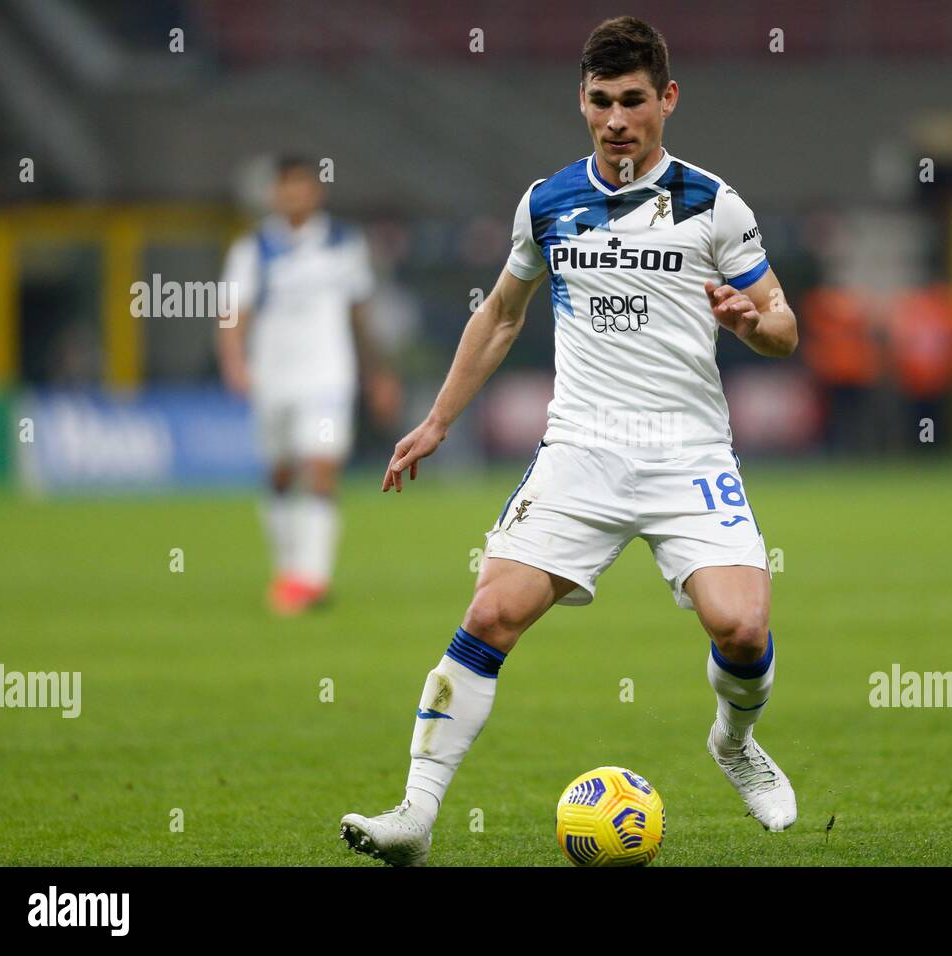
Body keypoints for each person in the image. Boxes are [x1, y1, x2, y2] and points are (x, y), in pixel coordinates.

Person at [339, 16, 799, 866]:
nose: (616, 119)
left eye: (633, 101)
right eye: (600, 101)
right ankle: (415, 814)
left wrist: (751, 320)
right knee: (489, 613)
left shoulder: (712, 203)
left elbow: (783, 325)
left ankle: (734, 744)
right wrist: (438, 418)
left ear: (667, 99)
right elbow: (502, 314)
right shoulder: (548, 203)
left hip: (687, 453)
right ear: (580, 102)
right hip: (580, 450)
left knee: (740, 627)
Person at [218, 157, 400, 615]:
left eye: (302, 187)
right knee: (280, 474)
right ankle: (289, 569)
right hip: (273, 377)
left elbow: (361, 312)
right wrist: (236, 362)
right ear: (274, 195)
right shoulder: (253, 248)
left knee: (321, 468)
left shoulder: (343, 244)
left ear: (316, 192)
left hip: (327, 376)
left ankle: (312, 580)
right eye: (285, 188)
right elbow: (234, 312)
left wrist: (376, 374)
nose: (294, 196)